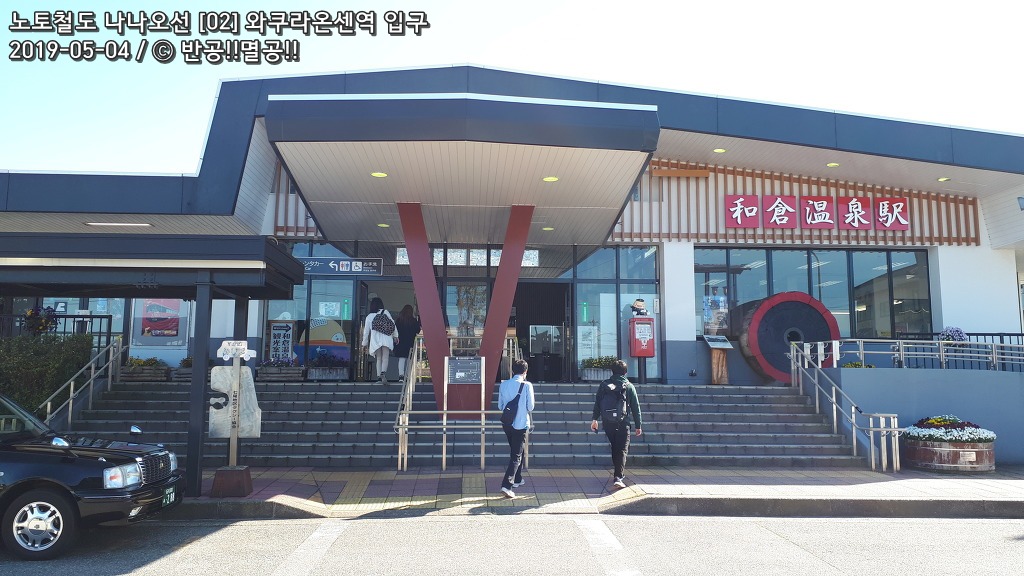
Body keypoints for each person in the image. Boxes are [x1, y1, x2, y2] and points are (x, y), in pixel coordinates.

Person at [590, 359, 642, 489]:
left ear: (612, 371)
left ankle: (617, 473)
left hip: (608, 422)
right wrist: (638, 425)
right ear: (625, 372)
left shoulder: (604, 385)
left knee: (615, 447)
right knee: (622, 449)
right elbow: (635, 407)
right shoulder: (629, 386)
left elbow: (598, 403)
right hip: (623, 422)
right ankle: (618, 477)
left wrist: (594, 419)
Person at [497, 359, 534, 498]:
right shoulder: (527, 385)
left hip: (507, 423)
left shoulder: (504, 385)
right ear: (526, 371)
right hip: (521, 424)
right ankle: (507, 485)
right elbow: (530, 407)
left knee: (517, 450)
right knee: (516, 455)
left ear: (513, 371)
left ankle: (518, 479)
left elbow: (500, 406)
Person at [361, 297, 397, 384]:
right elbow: (393, 324)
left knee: (379, 358)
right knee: (385, 357)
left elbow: (366, 332)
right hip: (386, 338)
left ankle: (379, 378)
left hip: (376, 340)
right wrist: (395, 336)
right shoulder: (385, 312)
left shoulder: (369, 317)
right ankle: (383, 373)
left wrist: (364, 343)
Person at [393, 304, 421, 381]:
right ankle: (408, 376)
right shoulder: (413, 321)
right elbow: (418, 330)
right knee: (409, 360)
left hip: (401, 343)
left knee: (402, 359)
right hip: (410, 343)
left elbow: (395, 331)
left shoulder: (399, 320)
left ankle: (401, 376)